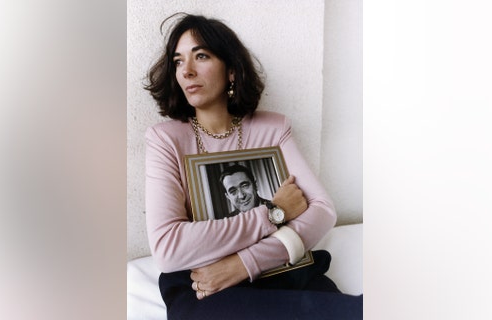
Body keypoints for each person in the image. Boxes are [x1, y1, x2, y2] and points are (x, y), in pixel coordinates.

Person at [144, 13, 362, 319]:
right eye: (178, 61)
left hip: (280, 269)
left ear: (231, 70)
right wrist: (275, 212)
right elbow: (168, 249)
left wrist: (244, 263)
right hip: (204, 284)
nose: (187, 71)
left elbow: (323, 211)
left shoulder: (273, 128)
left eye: (201, 56)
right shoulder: (165, 139)